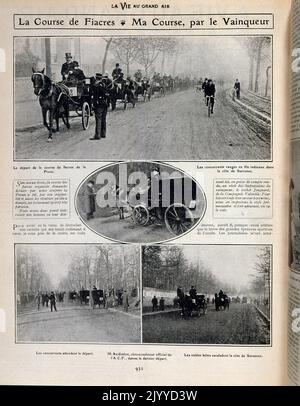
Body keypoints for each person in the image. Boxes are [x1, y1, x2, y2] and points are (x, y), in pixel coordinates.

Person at [90, 73, 109, 140]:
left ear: (96, 78)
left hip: (98, 105)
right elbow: (107, 94)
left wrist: (93, 103)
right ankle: (103, 134)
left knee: (98, 119)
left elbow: (93, 95)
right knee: (103, 119)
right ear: (101, 78)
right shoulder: (104, 84)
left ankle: (97, 135)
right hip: (105, 104)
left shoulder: (95, 85)